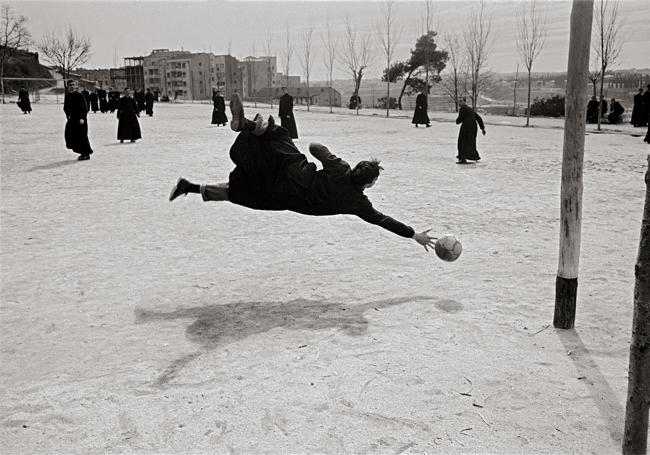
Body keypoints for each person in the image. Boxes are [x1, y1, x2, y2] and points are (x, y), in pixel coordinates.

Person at [169, 93, 436, 250]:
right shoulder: (357, 202)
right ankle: (247, 129)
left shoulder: (340, 168)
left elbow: (314, 146)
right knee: (240, 193)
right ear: (368, 185)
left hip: (290, 169)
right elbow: (383, 220)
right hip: (281, 196)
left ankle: (249, 127)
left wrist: (331, 158)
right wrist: (414, 235)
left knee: (280, 137)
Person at [63, 80, 93, 161]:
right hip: (72, 119)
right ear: (67, 86)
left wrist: (82, 118)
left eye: (73, 85)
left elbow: (84, 108)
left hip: (80, 120)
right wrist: (68, 115)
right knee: (70, 136)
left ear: (76, 86)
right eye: (70, 85)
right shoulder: (67, 95)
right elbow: (65, 107)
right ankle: (81, 152)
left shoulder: (79, 95)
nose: (72, 87)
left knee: (82, 137)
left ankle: (86, 154)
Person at [455, 97, 485, 164]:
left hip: (466, 127)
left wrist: (457, 121)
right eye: (459, 101)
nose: (459, 103)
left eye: (461, 101)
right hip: (473, 128)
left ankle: (462, 158)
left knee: (462, 142)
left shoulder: (463, 109)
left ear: (464, 102)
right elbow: (479, 118)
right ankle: (474, 156)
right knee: (471, 142)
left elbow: (459, 120)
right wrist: (482, 128)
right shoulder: (470, 109)